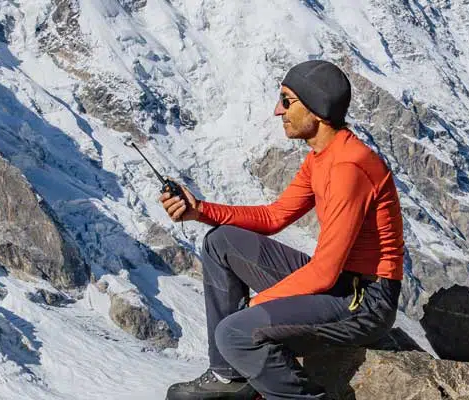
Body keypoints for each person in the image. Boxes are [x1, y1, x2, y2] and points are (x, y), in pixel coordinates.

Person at [161, 60, 405, 400]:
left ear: (317, 109)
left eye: (286, 100)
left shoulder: (349, 168)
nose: (278, 110)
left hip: (363, 299)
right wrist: (199, 211)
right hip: (338, 284)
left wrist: (259, 304)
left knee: (235, 333)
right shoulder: (322, 156)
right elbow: (275, 216)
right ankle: (229, 377)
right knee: (221, 242)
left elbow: (323, 272)